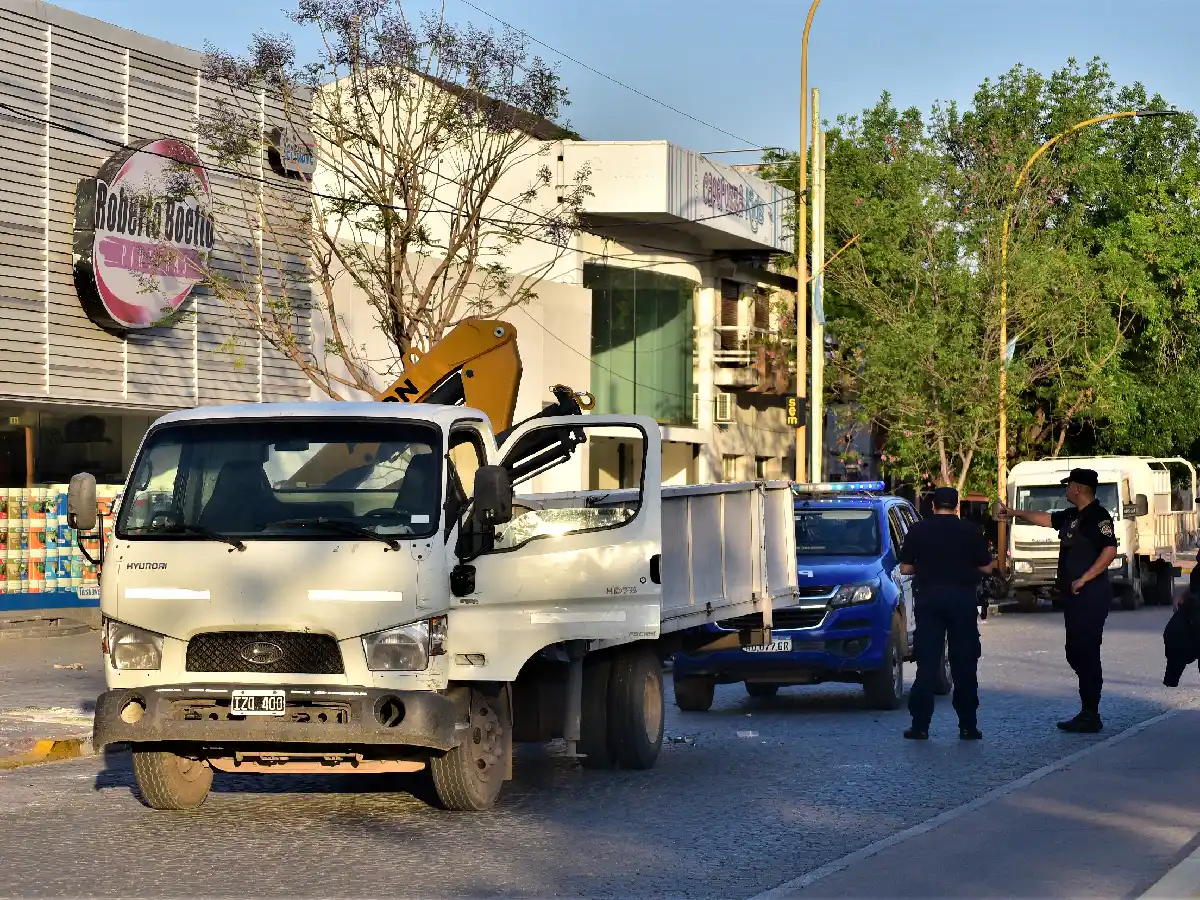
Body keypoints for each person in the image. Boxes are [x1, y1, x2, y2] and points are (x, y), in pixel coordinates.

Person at [997, 468, 1118, 733]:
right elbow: (1046, 519)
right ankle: (1087, 709)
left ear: (1077, 488)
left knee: (1086, 652)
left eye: (1068, 486)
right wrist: (1014, 514)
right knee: (1074, 651)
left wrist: (1085, 578)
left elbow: (1110, 550)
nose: (1065, 490)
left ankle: (1090, 713)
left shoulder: (1098, 516)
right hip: (1073, 597)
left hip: (1090, 596)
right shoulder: (1072, 516)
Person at [898, 486, 994, 741]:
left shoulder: (918, 530)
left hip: (929, 601)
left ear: (932, 506)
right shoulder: (970, 531)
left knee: (927, 664)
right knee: (964, 663)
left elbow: (906, 568)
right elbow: (986, 567)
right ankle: (968, 726)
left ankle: (920, 726)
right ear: (957, 506)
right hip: (962, 601)